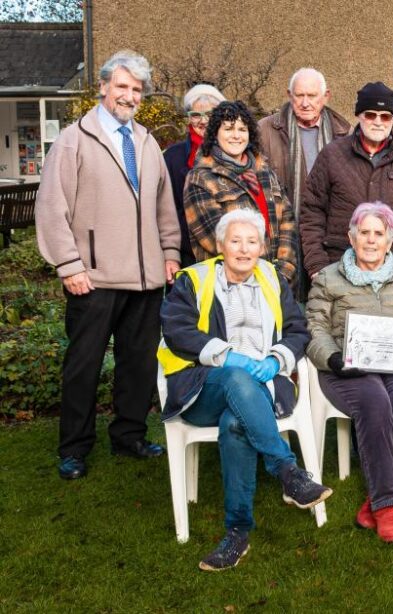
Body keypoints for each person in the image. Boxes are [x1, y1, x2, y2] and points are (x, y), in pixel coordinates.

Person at [35, 50, 181, 480]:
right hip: (92, 277)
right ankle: (75, 448)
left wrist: (170, 252)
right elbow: (51, 207)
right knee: (84, 364)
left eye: (136, 89)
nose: (129, 95)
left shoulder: (147, 142)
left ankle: (130, 435)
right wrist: (68, 264)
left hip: (146, 278)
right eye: (121, 86)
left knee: (138, 364)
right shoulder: (73, 140)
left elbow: (163, 207)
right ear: (102, 87)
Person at [158, 209, 330, 571]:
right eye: (235, 241)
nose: (244, 249)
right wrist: (228, 357)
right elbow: (177, 330)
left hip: (264, 387)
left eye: (252, 241)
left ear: (262, 247)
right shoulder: (194, 280)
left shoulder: (272, 279)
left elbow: (298, 328)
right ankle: (288, 471)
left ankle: (236, 534)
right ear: (220, 245)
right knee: (237, 379)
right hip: (204, 387)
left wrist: (276, 359)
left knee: (236, 424)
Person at [305, 202, 393, 544]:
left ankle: (376, 500)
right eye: (363, 233)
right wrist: (333, 357)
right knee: (374, 401)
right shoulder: (328, 278)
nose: (370, 240)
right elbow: (315, 328)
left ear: (389, 239)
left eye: (378, 234)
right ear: (351, 238)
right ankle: (389, 508)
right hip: (349, 367)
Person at [300, 82, 393, 277]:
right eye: (370, 114)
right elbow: (311, 211)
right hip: (338, 269)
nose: (378, 121)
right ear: (359, 115)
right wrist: (316, 263)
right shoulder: (332, 156)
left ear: (392, 119)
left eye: (385, 116)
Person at [256, 68, 351, 299]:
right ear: (289, 95)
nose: (305, 103)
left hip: (329, 240)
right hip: (283, 239)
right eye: (299, 95)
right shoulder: (265, 131)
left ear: (326, 96)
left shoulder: (345, 134)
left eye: (312, 95)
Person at [184, 101, 298, 285]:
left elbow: (287, 221)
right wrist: (258, 277)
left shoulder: (265, 173)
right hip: (229, 285)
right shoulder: (201, 178)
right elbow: (215, 239)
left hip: (276, 283)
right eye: (228, 129)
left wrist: (283, 273)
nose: (236, 136)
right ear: (215, 134)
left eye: (242, 129)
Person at [163, 84, 226, 267]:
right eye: (196, 115)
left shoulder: (236, 151)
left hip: (232, 251)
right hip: (188, 254)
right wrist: (170, 254)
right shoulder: (173, 157)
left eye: (210, 114)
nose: (203, 120)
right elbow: (167, 210)